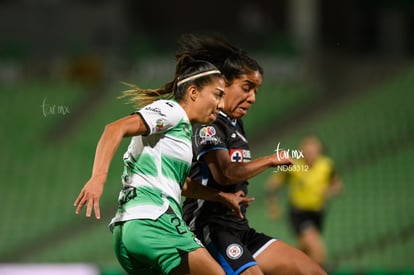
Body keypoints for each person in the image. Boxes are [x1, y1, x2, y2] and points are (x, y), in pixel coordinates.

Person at [74, 53, 253, 275]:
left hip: (128, 231)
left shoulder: (180, 132)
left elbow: (182, 185)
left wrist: (221, 197)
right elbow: (114, 129)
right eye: (217, 95)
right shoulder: (172, 111)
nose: (220, 104)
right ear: (193, 92)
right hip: (155, 221)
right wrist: (97, 178)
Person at [180, 34, 327, 275]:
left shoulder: (236, 123)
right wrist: (271, 160)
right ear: (224, 84)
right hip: (210, 228)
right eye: (246, 88)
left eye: (256, 91)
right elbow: (225, 173)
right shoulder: (211, 125)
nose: (252, 98)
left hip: (239, 230)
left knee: (313, 271)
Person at [266, 135, 343, 268]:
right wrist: (273, 207)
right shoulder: (293, 165)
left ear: (319, 151)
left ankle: (282, 266)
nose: (310, 152)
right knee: (318, 253)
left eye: (313, 149)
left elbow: (337, 185)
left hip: (318, 213)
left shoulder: (326, 165)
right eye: (307, 149)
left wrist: (329, 191)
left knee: (304, 250)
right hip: (299, 213)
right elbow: (272, 185)